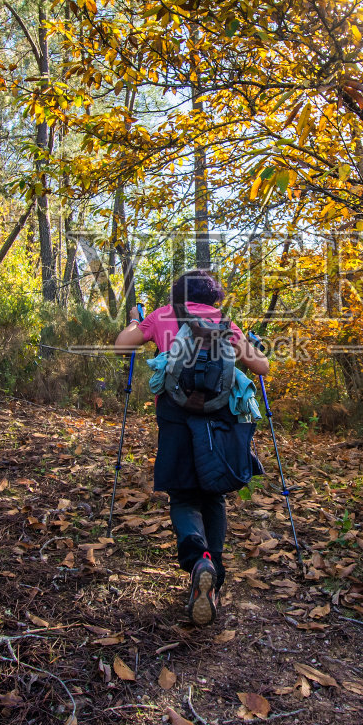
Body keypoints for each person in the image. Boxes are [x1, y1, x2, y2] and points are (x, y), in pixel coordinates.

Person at [112, 268, 270, 626]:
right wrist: (253, 347)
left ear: (178, 294)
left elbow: (122, 346)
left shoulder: (162, 315)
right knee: (212, 495)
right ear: (214, 297)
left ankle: (198, 560)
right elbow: (262, 366)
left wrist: (137, 321)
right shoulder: (224, 323)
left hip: (174, 414)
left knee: (182, 495)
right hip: (219, 418)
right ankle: (212, 576)